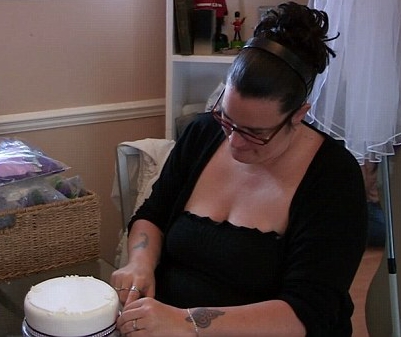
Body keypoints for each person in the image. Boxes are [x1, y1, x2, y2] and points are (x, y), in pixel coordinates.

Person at [111, 2, 367, 336]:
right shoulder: (202, 133)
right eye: (227, 120)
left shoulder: (333, 176)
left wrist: (185, 322)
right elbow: (153, 215)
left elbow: (308, 311)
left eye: (255, 133)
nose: (234, 142)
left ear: (298, 115)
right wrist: (140, 264)